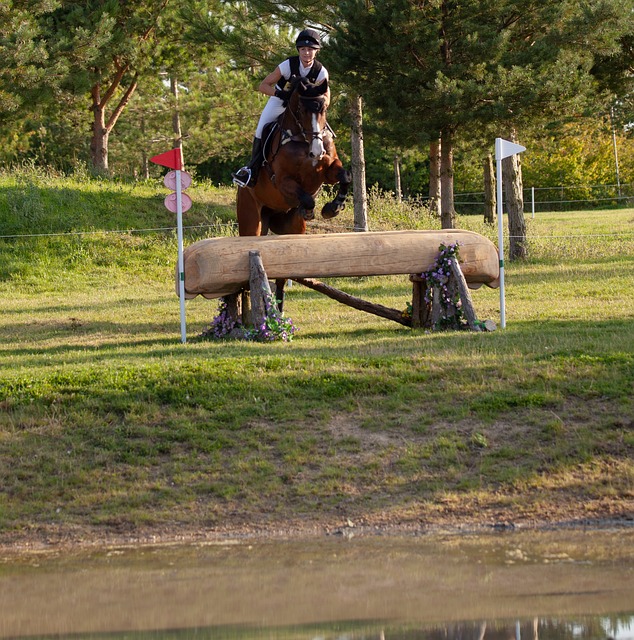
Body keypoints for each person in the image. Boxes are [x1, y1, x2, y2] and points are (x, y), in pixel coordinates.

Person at [232, 28, 330, 188]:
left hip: (305, 107)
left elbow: (326, 97)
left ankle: (327, 164)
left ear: (316, 51)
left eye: (310, 50)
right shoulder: (287, 65)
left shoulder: (320, 71)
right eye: (303, 49)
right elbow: (262, 86)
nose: (306, 53)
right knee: (261, 128)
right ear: (298, 50)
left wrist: (320, 106)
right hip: (280, 101)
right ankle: (252, 171)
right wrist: (280, 94)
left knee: (322, 130)